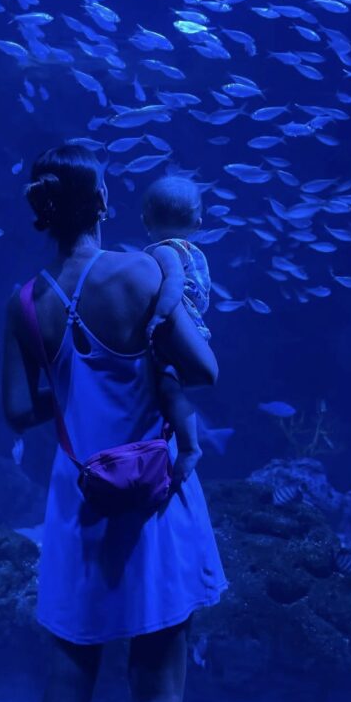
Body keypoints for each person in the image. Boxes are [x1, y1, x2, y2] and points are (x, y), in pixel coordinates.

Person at [2, 143, 229, 702]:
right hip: (150, 506)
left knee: (69, 677)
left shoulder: (26, 300)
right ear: (101, 202)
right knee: (156, 684)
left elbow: (17, 410)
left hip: (77, 506)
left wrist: (75, 388)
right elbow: (203, 369)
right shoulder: (139, 272)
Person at [141, 175, 212, 496]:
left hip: (173, 325)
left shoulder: (165, 251)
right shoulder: (190, 248)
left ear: (145, 220)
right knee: (171, 389)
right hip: (189, 326)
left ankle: (189, 447)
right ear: (198, 222)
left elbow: (171, 285)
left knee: (168, 388)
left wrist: (159, 314)